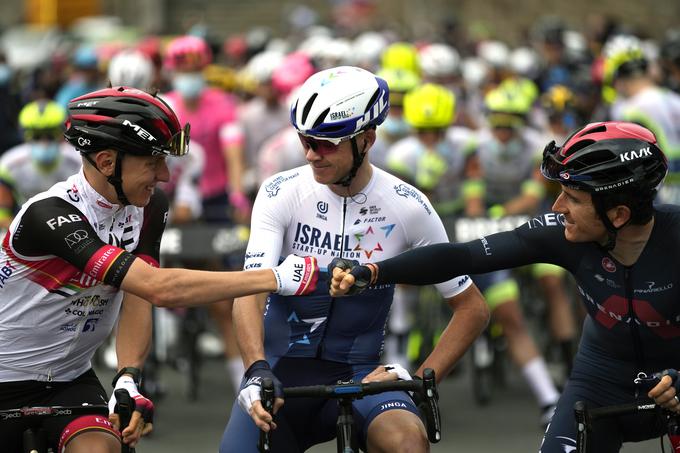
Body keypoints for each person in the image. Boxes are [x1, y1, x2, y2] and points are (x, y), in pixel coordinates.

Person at [0, 86, 319, 453]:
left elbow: (137, 296)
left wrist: (127, 377)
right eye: (154, 162)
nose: (165, 175)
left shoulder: (149, 205)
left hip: (71, 377)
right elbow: (158, 288)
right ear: (106, 162)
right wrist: (276, 277)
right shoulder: (50, 215)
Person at [331, 121, 680, 453]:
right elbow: (463, 256)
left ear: (618, 215)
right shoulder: (561, 235)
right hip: (600, 381)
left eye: (572, 198)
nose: (558, 208)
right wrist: (373, 272)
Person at [220, 66, 489, 453]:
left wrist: (416, 379)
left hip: (361, 376)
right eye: (305, 141)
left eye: (327, 144)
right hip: (279, 374)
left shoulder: (408, 206)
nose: (312, 154)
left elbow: (472, 308)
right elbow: (249, 292)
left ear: (366, 139)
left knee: (408, 444)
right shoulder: (280, 192)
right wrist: (255, 368)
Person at [0, 100, 81, 228]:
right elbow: (2, 213)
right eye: (37, 136)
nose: (44, 142)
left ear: (61, 134)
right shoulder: (9, 165)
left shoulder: (78, 161)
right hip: (24, 225)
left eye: (50, 136)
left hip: (72, 224)